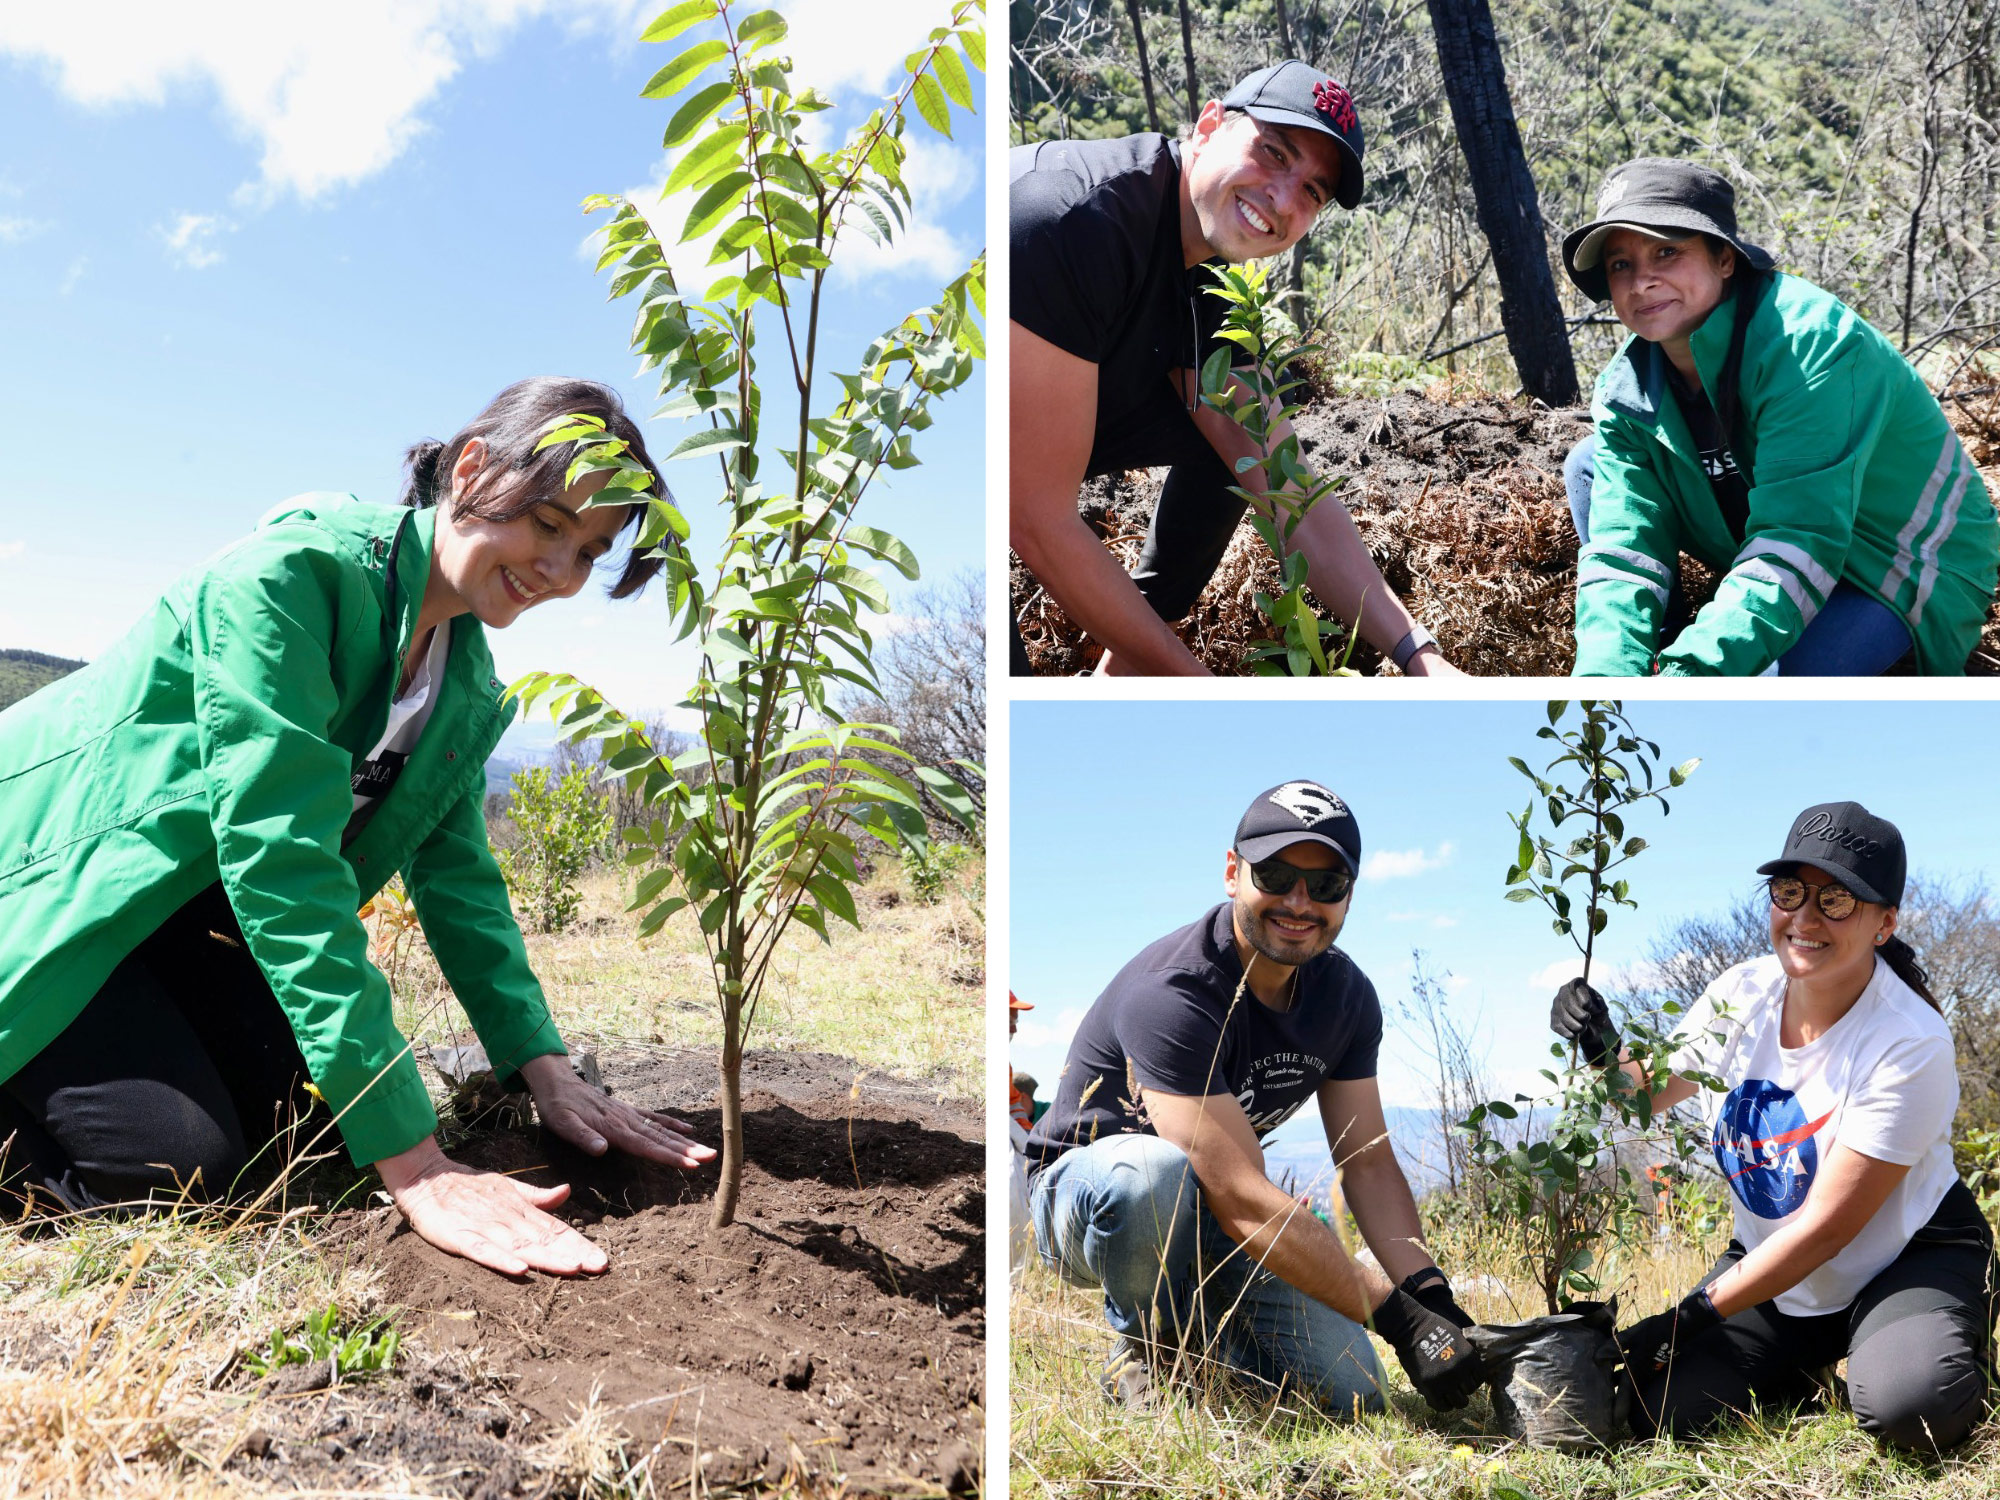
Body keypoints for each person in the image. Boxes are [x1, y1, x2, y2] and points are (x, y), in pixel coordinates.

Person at [0, 377, 716, 1278]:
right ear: (472, 469)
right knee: (178, 1173)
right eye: (549, 524)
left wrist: (542, 1063)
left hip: (181, 920)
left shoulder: (462, 682)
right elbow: (281, 863)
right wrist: (420, 1170)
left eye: (589, 551)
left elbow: (461, 888)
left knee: (316, 1127)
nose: (560, 572)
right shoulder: (291, 581)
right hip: (60, 891)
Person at [1024, 780, 1484, 1413]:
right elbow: (1241, 1193)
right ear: (1233, 873)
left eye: (1326, 887)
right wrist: (1395, 1317)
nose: (1299, 902)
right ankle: (1146, 1350)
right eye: (1276, 875)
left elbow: (1369, 1163)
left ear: (1348, 898)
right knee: (1151, 1174)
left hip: (1213, 1211)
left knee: (1358, 1396)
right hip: (1085, 1198)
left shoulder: (1346, 999)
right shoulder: (1173, 991)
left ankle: (1209, 1338)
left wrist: (1429, 1298)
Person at [1551, 801, 1998, 1450]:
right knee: (1649, 1413)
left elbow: (1825, 1232)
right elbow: (1644, 1097)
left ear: (1885, 922)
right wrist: (1599, 1042)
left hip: (1908, 1258)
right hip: (1777, 1267)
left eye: (1836, 900)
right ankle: (1802, 1375)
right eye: (1789, 891)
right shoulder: (1742, 993)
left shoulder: (1908, 1041)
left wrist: (1684, 1320)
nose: (1805, 917)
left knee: (1912, 1408)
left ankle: (1937, 1342)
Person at [1010, 61, 1459, 678]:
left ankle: (1122, 670)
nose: (1282, 197)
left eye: (1312, 192)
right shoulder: (1073, 223)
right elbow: (1034, 519)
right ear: (1209, 125)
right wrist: (1192, 682)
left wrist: (1421, 658)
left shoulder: (1211, 276)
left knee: (1238, 436)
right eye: (1274, 153)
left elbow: (1286, 485)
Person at [1560, 157, 1998, 676]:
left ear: (1725, 259)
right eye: (1620, 264)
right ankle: (1672, 644)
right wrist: (1606, 686)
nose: (1642, 281)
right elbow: (1620, 552)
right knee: (1589, 464)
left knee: (1771, 695)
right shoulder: (1626, 389)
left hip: (1894, 562)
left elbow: (1799, 537)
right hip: (1785, 540)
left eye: (1667, 251)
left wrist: (1693, 676)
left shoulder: (1811, 346)